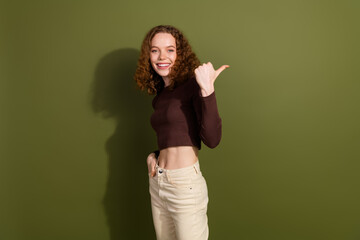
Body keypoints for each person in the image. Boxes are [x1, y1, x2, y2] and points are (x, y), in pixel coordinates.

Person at [134, 25, 229, 240]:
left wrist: (207, 90)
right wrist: (154, 155)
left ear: (180, 54)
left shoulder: (193, 86)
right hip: (157, 183)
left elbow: (212, 139)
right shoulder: (161, 96)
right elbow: (175, 134)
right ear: (148, 56)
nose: (162, 56)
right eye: (154, 50)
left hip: (184, 186)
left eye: (170, 49)